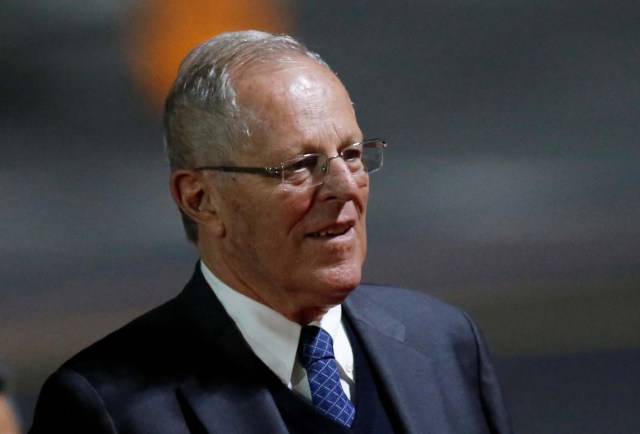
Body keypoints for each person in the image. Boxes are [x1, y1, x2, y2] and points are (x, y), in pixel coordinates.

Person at [30, 30, 511, 433]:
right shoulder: (107, 407)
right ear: (201, 198)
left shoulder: (444, 342)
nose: (345, 187)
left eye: (352, 154)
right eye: (302, 166)